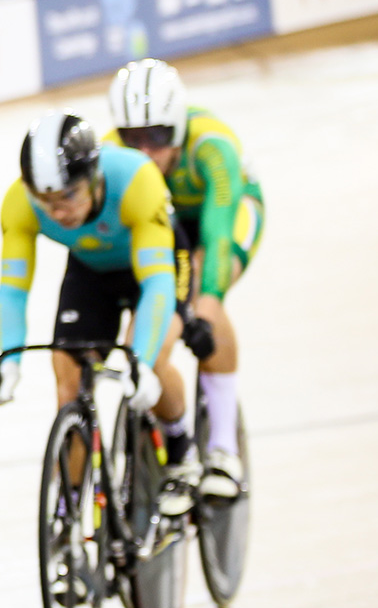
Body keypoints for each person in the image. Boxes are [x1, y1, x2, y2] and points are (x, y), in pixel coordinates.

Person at [0, 111, 201, 512]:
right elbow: (13, 291)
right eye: (45, 201)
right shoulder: (19, 203)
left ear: (96, 177)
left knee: (152, 357)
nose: (58, 212)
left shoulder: (136, 179)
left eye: (69, 195)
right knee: (68, 378)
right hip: (91, 271)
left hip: (156, 267)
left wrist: (139, 359)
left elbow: (157, 285)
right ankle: (67, 509)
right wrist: (10, 357)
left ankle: (180, 445)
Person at [104, 60, 261, 498]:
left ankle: (224, 449)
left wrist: (206, 300)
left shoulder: (211, 148)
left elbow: (216, 233)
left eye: (157, 136)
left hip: (225, 216)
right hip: (163, 223)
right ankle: (172, 428)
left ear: (177, 127)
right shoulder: (109, 154)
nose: (144, 151)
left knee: (203, 299)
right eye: (132, 139)